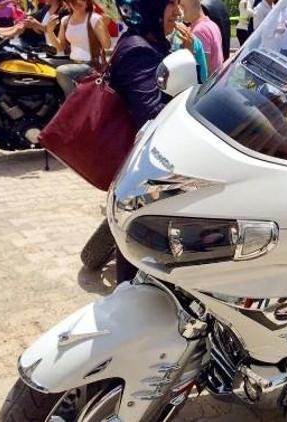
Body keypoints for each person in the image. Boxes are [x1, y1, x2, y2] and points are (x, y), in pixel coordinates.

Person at [110, 0, 179, 282]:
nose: (177, 10)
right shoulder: (139, 50)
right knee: (139, 249)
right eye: (170, 3)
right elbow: (150, 114)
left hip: (144, 163)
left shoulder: (145, 43)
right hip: (145, 166)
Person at [46, 0, 111, 96]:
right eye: (73, 2)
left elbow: (107, 45)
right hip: (73, 63)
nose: (77, 4)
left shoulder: (94, 18)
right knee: (43, 64)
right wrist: (50, 32)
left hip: (91, 65)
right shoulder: (66, 20)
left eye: (81, 1)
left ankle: (73, 103)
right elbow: (60, 47)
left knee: (62, 71)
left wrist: (104, 26)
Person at [184, 0, 223, 74]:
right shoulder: (212, 24)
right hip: (217, 81)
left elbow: (203, 70)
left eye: (182, 6)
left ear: (191, 6)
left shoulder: (199, 30)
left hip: (208, 84)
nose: (179, 10)